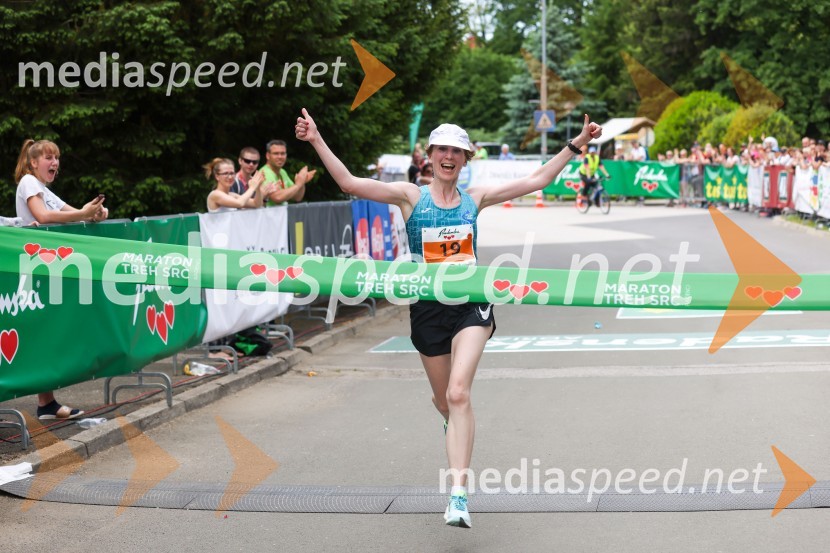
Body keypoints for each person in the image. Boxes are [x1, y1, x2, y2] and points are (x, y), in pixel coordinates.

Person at [295, 107, 601, 528]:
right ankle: (454, 428)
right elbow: (349, 182)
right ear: (431, 155)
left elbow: (537, 181)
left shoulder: (475, 200)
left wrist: (575, 145)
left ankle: (458, 496)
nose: (449, 157)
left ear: (465, 159)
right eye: (442, 149)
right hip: (427, 309)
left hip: (472, 304)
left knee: (459, 394)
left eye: (457, 151)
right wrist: (315, 140)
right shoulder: (410, 196)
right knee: (444, 403)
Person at [14, 139, 112, 420]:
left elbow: (72, 212)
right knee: (38, 332)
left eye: (57, 157)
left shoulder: (43, 188)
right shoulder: (29, 183)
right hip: (32, 268)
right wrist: (83, 213)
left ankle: (47, 403)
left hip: (47, 268)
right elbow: (43, 216)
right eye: (48, 157)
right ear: (34, 163)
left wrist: (95, 212)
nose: (54, 162)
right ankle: (43, 402)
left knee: (46, 331)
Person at [260, 140, 316, 205]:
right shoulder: (264, 172)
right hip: (268, 215)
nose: (280, 157)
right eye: (276, 153)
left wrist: (302, 182)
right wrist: (298, 185)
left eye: (283, 153)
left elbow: (297, 197)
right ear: (267, 155)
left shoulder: (282, 171)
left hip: (282, 214)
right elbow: (277, 197)